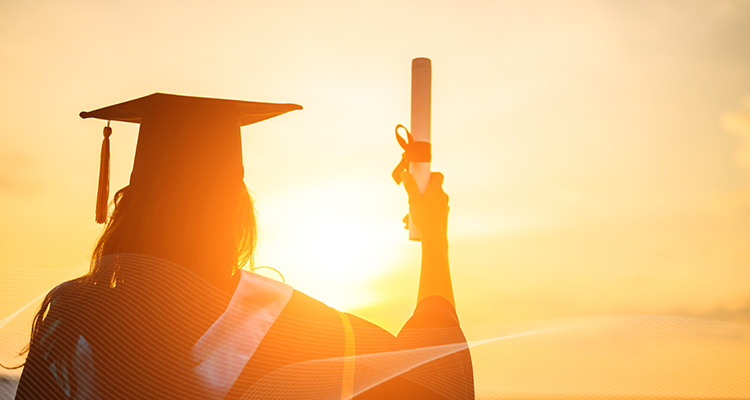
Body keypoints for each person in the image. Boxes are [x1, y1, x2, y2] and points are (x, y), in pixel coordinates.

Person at [13, 93, 474, 400]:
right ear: (237, 215)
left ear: (127, 211)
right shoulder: (294, 331)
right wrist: (434, 238)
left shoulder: (70, 323)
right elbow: (438, 378)